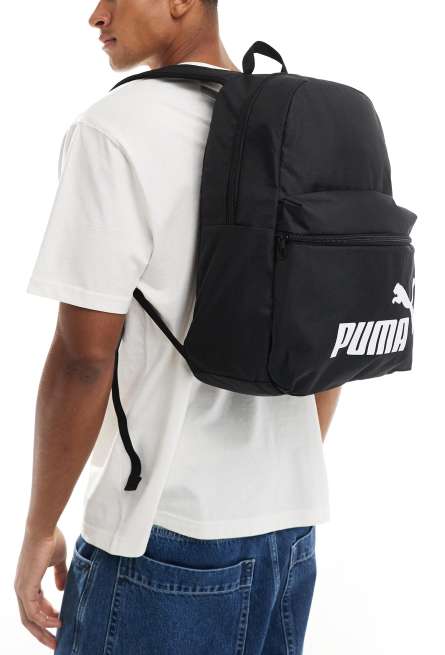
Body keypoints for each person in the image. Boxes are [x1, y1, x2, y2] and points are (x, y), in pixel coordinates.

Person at [14, 0, 341, 652]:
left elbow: (83, 359)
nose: (95, 15)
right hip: (290, 530)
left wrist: (38, 529)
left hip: (161, 536)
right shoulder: (301, 127)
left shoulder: (115, 131)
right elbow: (328, 332)